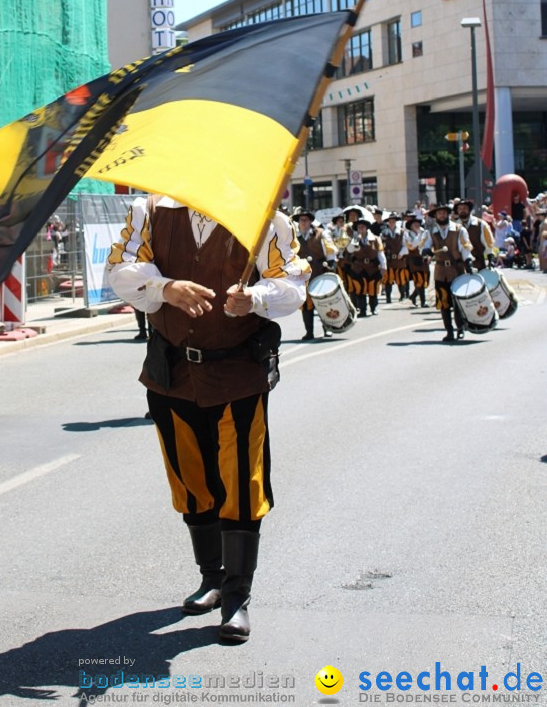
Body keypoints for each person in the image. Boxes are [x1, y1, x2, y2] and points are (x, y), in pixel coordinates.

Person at [106, 194, 308, 644]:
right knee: (190, 481)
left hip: (237, 373)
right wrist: (165, 289)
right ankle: (212, 578)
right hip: (171, 372)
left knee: (241, 481)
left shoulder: (263, 218)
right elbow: (118, 271)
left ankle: (238, 596)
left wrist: (254, 298)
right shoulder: (151, 212)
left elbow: (294, 285)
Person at [428, 203, 473, 343]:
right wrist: (425, 251)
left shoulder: (459, 230)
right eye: (438, 214)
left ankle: (460, 328)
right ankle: (449, 332)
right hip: (440, 272)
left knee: (457, 303)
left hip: (456, 270)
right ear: (435, 216)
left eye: (443, 213)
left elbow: (465, 249)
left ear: (448, 214)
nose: (441, 216)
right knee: (443, 303)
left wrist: (468, 263)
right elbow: (425, 246)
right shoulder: (431, 232)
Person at [292, 208, 337, 340]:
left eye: (306, 220)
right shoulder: (295, 238)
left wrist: (332, 263)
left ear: (310, 221)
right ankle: (309, 332)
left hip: (319, 273)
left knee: (324, 303)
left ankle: (327, 329)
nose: (303, 223)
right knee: (306, 305)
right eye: (301, 220)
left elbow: (330, 251)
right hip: (303, 276)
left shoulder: (320, 234)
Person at [345, 217, 386, 317]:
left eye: (363, 226)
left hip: (373, 267)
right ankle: (362, 310)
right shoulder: (354, 238)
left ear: (367, 228)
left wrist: (384, 266)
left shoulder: (375, 239)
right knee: (360, 289)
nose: (361, 229)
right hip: (358, 267)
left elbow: (380, 253)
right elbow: (350, 250)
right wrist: (355, 239)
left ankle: (373, 308)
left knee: (373, 289)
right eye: (359, 227)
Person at [452, 198, 498, 271]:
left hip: (478, 265)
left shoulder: (481, 224)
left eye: (464, 208)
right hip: (459, 267)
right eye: (460, 208)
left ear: (469, 210)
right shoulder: (454, 226)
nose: (462, 210)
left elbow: (489, 244)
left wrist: (491, 260)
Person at [402, 213, 430, 308]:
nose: (417, 226)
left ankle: (413, 296)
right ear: (411, 226)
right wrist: (419, 236)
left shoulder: (425, 232)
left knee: (426, 281)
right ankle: (423, 301)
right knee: (419, 281)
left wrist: (430, 255)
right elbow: (412, 246)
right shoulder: (407, 234)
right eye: (415, 224)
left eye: (418, 224)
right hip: (414, 260)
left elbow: (429, 244)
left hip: (424, 259)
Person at [381, 212, 409, 302]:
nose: (391, 223)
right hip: (389, 259)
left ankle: (402, 295)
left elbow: (406, 245)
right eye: (390, 221)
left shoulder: (402, 232)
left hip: (399, 259)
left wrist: (402, 253)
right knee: (388, 279)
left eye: (393, 221)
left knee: (400, 279)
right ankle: (388, 297)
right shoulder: (384, 233)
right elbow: (381, 245)